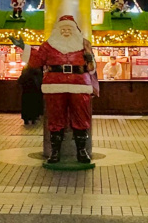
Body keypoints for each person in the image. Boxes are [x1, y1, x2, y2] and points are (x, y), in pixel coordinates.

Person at [26, 14, 96, 164]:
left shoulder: (84, 44)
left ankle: (81, 151)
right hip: (55, 84)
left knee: (81, 117)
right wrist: (24, 48)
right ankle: (55, 152)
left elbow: (91, 67)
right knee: (55, 117)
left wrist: (89, 57)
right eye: (62, 28)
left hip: (79, 84)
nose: (65, 31)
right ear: (57, 30)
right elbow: (36, 61)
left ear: (74, 30)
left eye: (68, 28)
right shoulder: (47, 46)